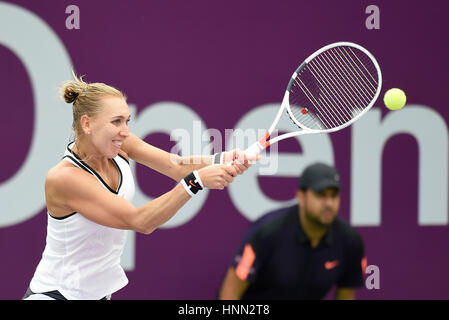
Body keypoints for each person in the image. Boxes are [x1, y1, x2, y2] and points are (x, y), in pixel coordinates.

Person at [23, 72, 255, 300]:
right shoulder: (65, 178)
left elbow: (176, 165)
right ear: (87, 124)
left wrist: (221, 159)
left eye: (127, 121)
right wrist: (196, 181)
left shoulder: (121, 143)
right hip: (56, 295)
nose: (125, 131)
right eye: (116, 122)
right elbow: (140, 221)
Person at [218, 162, 367, 300]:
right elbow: (230, 293)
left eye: (333, 195)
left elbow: (346, 295)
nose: (329, 203)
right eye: (321, 195)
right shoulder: (267, 233)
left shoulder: (351, 242)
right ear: (301, 196)